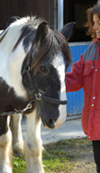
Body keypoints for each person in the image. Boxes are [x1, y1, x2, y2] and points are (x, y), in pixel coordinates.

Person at [66, 2, 100, 173]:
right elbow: (73, 79)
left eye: (99, 22)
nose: (95, 26)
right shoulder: (91, 51)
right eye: (93, 22)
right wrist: (45, 83)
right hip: (96, 125)